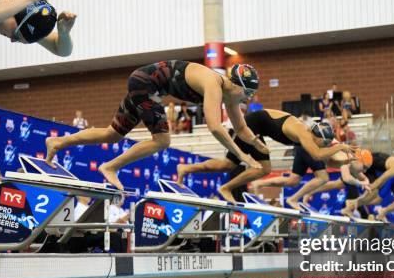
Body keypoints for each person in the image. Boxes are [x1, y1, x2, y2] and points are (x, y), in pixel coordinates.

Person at [45, 61, 266, 190]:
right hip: (145, 84)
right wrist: (242, 156)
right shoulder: (214, 84)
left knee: (113, 134)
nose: (247, 98)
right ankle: (111, 166)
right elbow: (215, 127)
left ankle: (58, 142)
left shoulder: (232, 97)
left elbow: (241, 129)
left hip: (144, 83)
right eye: (247, 93)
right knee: (162, 140)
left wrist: (256, 145)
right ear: (236, 85)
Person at [176, 109, 355, 204]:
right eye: (324, 144)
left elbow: (327, 159)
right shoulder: (305, 135)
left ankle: (185, 169)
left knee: (228, 164)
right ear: (319, 138)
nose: (321, 146)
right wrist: (340, 145)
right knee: (264, 168)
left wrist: (349, 160)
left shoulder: (311, 138)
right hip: (251, 126)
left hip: (255, 126)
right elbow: (318, 154)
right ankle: (227, 188)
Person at [340, 153, 394, 218]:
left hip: (384, 171)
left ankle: (351, 205)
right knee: (374, 192)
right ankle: (350, 206)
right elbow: (382, 179)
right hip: (372, 164)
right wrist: (371, 187)